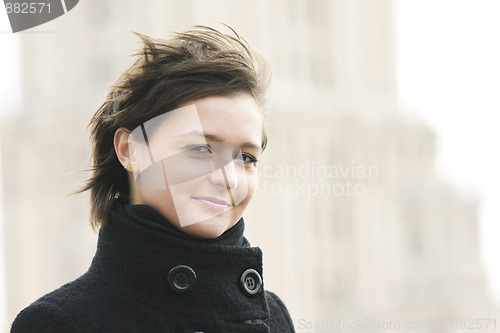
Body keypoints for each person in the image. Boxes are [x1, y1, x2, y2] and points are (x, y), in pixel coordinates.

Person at [10, 26, 295, 332]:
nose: (227, 178)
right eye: (200, 149)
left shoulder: (273, 316)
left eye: (245, 157)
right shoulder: (59, 322)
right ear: (129, 150)